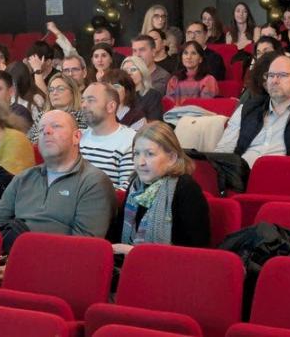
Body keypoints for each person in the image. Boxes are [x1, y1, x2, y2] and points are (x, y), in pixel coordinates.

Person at [0, 110, 115, 239]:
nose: (46, 131)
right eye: (41, 129)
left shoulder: (94, 182)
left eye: (56, 126)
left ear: (76, 137)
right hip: (12, 255)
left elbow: (83, 245)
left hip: (58, 260)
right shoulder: (23, 178)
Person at [112, 121, 210, 255]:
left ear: (172, 158)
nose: (140, 162)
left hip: (171, 271)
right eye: (136, 154)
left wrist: (134, 252)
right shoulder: (135, 185)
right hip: (129, 267)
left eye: (150, 154)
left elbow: (195, 253)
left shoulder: (186, 188)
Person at [215, 55, 290, 168]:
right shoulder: (246, 109)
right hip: (240, 176)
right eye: (271, 75)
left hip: (282, 176)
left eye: (282, 75)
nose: (274, 81)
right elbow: (224, 150)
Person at [79, 82, 136, 190]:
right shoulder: (78, 137)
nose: (84, 105)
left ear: (111, 107)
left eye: (91, 100)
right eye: (83, 100)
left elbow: (126, 191)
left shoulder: (129, 140)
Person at [27, 73, 86, 143]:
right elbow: (28, 142)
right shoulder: (42, 116)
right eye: (51, 90)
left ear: (72, 92)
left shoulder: (82, 117)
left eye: (60, 89)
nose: (54, 93)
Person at [166, 41, 218, 105]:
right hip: (175, 114)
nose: (189, 57)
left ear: (200, 59)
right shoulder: (174, 80)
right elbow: (169, 105)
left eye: (193, 53)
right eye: (185, 53)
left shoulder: (208, 80)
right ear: (181, 58)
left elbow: (206, 106)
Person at [121, 56, 163, 121]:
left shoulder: (153, 95)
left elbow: (154, 123)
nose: (129, 73)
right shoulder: (120, 96)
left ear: (142, 71)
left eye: (133, 69)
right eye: (125, 71)